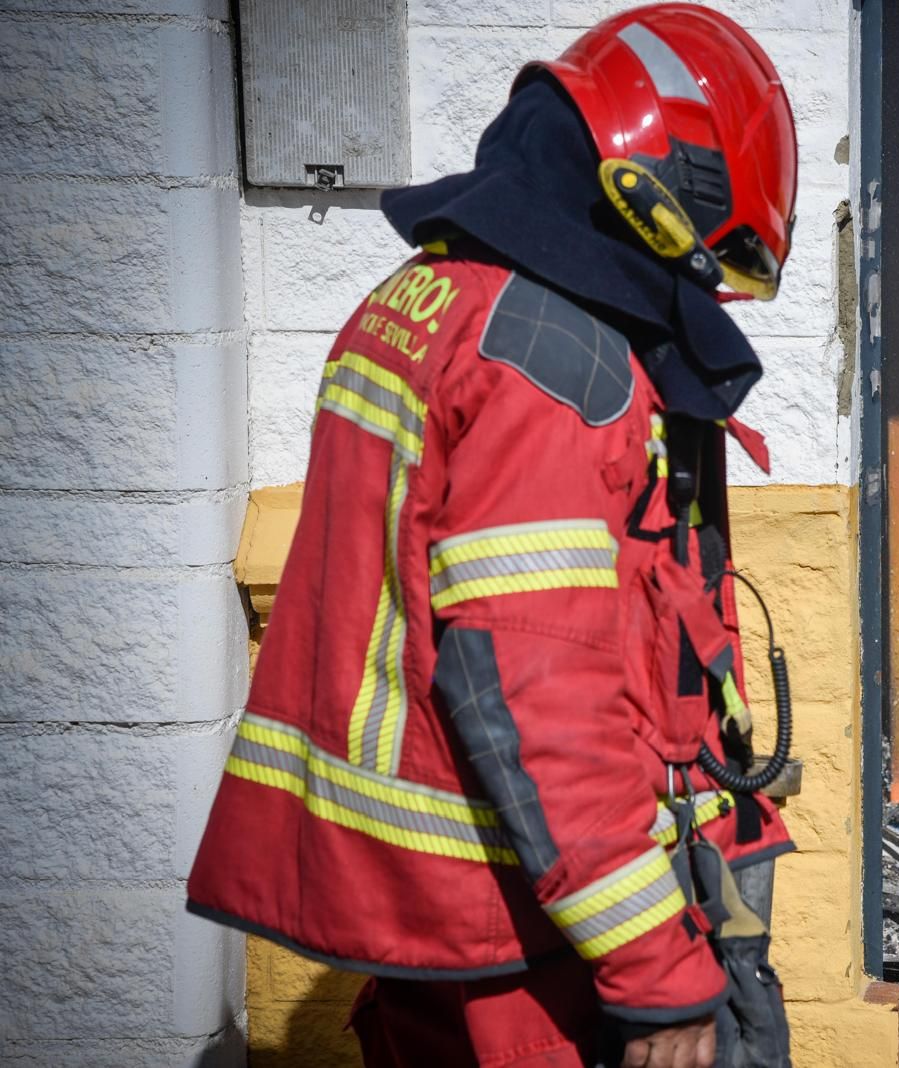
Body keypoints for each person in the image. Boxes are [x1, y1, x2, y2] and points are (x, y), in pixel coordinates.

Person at [186, 7, 800, 1065]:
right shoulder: (556, 368)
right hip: (526, 930)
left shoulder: (422, 299)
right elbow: (531, 691)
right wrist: (657, 971)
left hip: (435, 917)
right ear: (652, 198)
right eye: (715, 251)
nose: (705, 284)